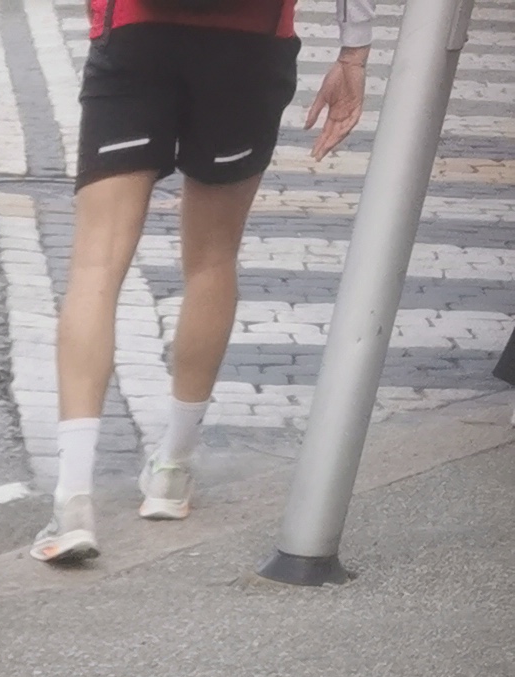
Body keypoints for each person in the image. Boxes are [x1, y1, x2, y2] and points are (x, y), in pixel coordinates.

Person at [33, 0, 369, 559]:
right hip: (251, 43)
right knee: (213, 259)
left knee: (95, 265)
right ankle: (173, 469)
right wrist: (353, 52)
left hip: (136, 31)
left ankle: (73, 500)